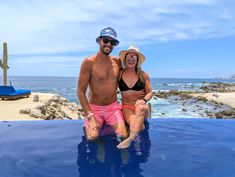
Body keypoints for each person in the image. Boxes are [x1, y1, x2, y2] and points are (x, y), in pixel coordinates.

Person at [77, 27, 128, 141]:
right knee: (92, 138)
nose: (109, 44)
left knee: (124, 135)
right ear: (99, 41)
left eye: (112, 42)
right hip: (94, 108)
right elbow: (80, 92)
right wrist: (90, 116)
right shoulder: (88, 62)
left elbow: (125, 83)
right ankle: (93, 132)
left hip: (113, 107)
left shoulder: (117, 62)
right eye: (106, 40)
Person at [117, 45, 153, 149]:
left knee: (141, 108)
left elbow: (150, 92)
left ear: (137, 60)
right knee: (139, 126)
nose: (131, 58)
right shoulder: (120, 74)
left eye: (134, 56)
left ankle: (130, 139)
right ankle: (137, 145)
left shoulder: (143, 75)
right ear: (125, 58)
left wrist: (143, 100)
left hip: (142, 107)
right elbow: (109, 86)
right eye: (129, 56)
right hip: (127, 107)